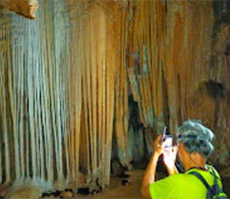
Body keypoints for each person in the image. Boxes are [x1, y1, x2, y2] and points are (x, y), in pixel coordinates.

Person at [141, 120, 226, 199]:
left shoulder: (177, 184)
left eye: (179, 143)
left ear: (184, 146)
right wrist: (171, 166)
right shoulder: (213, 173)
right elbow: (183, 187)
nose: (177, 147)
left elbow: (145, 191)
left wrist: (155, 155)